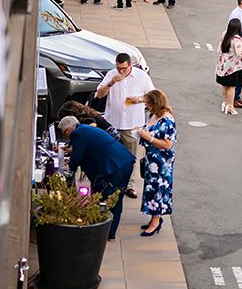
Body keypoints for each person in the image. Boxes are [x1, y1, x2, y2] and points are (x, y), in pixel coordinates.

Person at [58, 116, 134, 240]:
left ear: (68, 130)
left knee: (104, 196)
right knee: (117, 197)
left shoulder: (77, 133)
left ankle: (101, 229)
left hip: (113, 167)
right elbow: (89, 146)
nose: (67, 137)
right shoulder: (84, 129)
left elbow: (77, 157)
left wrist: (69, 168)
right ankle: (111, 231)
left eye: (64, 133)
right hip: (124, 161)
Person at [95, 52, 154, 199]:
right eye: (118, 68)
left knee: (131, 156)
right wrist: (111, 83)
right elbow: (99, 95)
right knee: (110, 154)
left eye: (124, 68)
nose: (121, 71)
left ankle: (129, 185)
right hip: (113, 122)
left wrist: (139, 99)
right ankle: (110, 182)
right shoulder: (111, 75)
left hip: (132, 124)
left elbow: (153, 95)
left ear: (130, 65)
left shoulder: (141, 76)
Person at [136, 89, 176, 237]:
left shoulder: (167, 121)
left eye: (148, 104)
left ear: (155, 104)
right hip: (151, 160)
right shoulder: (154, 115)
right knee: (150, 188)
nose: (147, 107)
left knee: (159, 190)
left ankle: (155, 221)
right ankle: (153, 217)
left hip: (161, 163)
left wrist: (148, 137)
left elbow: (167, 145)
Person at [217, 18, 242, 117]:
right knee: (232, 87)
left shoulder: (225, 34)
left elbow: (219, 48)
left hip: (223, 65)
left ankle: (225, 103)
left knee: (224, 85)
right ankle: (230, 106)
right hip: (233, 67)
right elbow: (240, 54)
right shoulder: (237, 39)